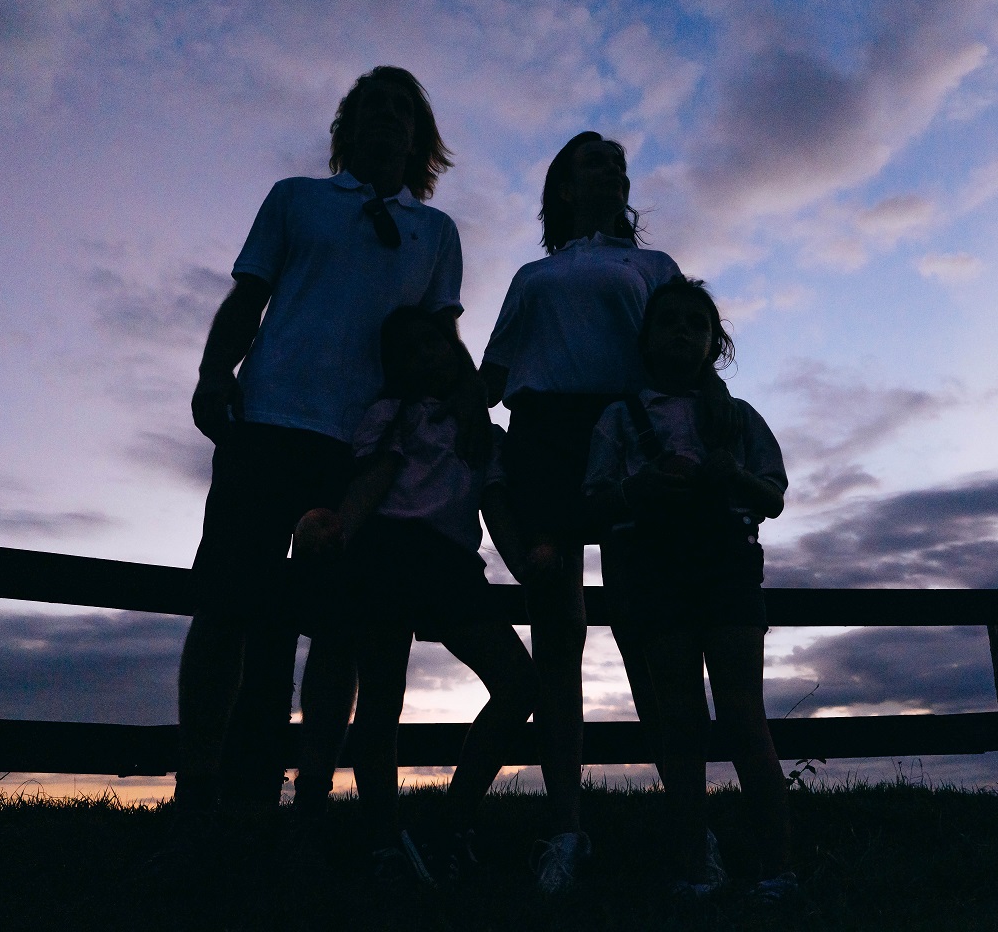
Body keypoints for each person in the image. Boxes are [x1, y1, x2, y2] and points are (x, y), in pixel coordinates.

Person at [176, 66, 468, 816]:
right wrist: (215, 372)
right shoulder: (295, 198)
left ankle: (306, 795)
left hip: (363, 455)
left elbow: (440, 340)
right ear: (346, 125)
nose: (386, 118)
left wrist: (469, 419)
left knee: (337, 629)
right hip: (266, 426)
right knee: (226, 608)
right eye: (371, 106)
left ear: (420, 136)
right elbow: (250, 294)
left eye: (402, 108)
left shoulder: (435, 233)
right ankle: (202, 790)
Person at [480, 131, 684, 892]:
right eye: (593, 159)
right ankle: (565, 831)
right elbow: (493, 373)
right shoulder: (534, 274)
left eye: (619, 162)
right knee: (557, 635)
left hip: (628, 435)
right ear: (563, 184)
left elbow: (682, 351)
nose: (611, 167)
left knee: (646, 631)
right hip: (546, 440)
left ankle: (690, 825)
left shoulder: (654, 267)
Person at [295, 306, 536, 885]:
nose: (424, 355)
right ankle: (382, 836)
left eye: (434, 343)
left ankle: (452, 819)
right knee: (382, 698)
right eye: (408, 349)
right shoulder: (389, 414)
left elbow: (496, 507)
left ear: (455, 351)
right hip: (385, 555)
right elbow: (374, 478)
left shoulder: (483, 432)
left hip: (450, 565)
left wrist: (529, 569)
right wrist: (341, 530)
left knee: (517, 683)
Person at [583, 276, 795, 901]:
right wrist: (637, 490)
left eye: (695, 325)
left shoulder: (739, 418)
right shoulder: (619, 420)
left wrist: (733, 477)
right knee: (678, 720)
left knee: (743, 715)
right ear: (645, 340)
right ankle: (694, 869)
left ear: (714, 344)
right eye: (668, 321)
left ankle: (778, 868)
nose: (681, 332)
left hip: (727, 568)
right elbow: (594, 501)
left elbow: (775, 496)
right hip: (655, 575)